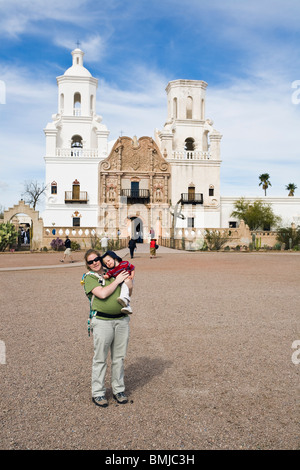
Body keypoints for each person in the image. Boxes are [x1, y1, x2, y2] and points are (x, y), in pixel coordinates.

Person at [82, 249, 131, 407]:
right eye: (91, 261)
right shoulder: (89, 278)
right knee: (100, 358)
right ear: (87, 265)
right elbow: (102, 294)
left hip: (121, 319)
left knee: (119, 358)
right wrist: (117, 281)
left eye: (97, 259)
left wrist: (129, 279)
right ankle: (98, 392)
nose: (95, 263)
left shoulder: (113, 272)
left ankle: (118, 389)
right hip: (102, 320)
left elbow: (129, 291)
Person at [101, 250, 135, 315]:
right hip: (120, 282)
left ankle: (124, 299)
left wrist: (132, 276)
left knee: (125, 288)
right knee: (122, 290)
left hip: (127, 279)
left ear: (115, 258)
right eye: (106, 263)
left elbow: (132, 268)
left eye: (108, 261)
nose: (108, 263)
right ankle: (127, 306)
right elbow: (107, 275)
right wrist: (104, 276)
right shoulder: (111, 270)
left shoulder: (124, 263)